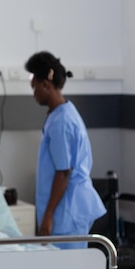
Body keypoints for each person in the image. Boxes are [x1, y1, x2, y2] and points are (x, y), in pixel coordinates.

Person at [25, 50, 105, 249]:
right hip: (67, 208)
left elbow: (63, 172)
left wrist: (48, 216)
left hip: (66, 212)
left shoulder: (61, 122)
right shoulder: (62, 112)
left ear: (46, 84)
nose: (33, 93)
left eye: (34, 87)